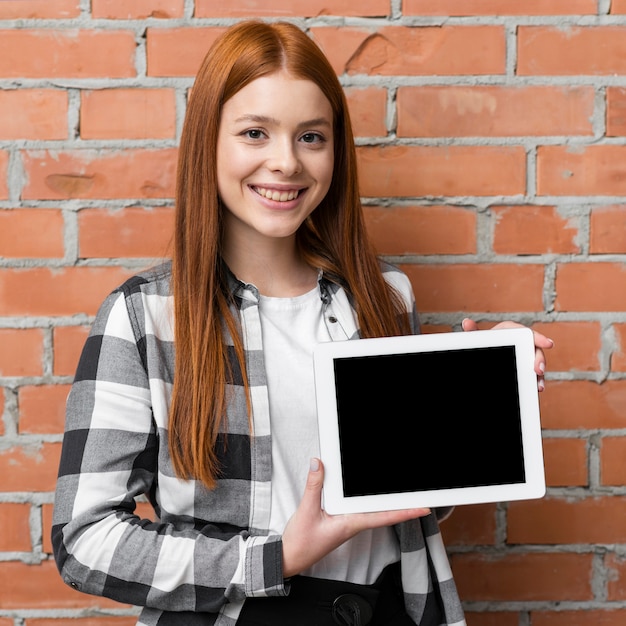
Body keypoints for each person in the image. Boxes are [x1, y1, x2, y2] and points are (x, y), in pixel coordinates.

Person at [51, 20, 553, 626]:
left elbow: (408, 502)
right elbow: (85, 541)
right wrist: (277, 558)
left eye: (311, 136)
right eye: (255, 133)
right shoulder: (144, 318)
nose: (285, 163)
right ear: (209, 140)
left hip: (392, 607)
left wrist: (480, 406)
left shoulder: (384, 297)